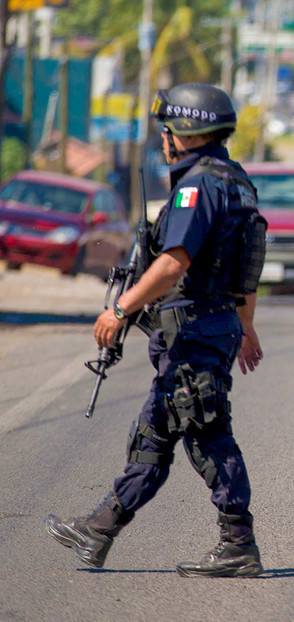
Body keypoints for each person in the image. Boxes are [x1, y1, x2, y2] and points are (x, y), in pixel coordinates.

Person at [45, 83, 269, 578]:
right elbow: (246, 267)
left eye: (167, 130)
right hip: (212, 327)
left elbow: (174, 262)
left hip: (194, 331)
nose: (163, 139)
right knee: (155, 433)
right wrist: (245, 326)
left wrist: (120, 310)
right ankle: (99, 529)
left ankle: (238, 544)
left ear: (183, 134)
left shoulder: (197, 188)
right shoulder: (237, 181)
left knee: (208, 436)